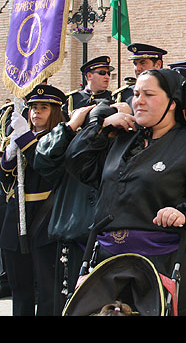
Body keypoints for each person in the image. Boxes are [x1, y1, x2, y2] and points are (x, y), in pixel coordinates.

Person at [64, 68, 186, 316]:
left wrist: (185, 215)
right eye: (136, 93)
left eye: (148, 94)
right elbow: (77, 164)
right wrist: (101, 127)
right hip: (110, 266)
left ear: (172, 103)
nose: (138, 100)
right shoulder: (122, 139)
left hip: (165, 263)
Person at [0, 84, 67, 316]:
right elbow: (6, 177)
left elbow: (45, 164)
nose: (36, 112)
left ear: (55, 111)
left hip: (44, 220)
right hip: (16, 218)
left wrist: (26, 139)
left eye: (43, 108)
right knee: (20, 288)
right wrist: (9, 155)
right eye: (33, 108)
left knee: (48, 290)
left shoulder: (60, 137)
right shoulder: (22, 136)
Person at [32, 102, 97, 315]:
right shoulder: (70, 151)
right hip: (75, 235)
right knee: (69, 301)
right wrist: (69, 128)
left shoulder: (122, 146)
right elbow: (43, 159)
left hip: (110, 239)